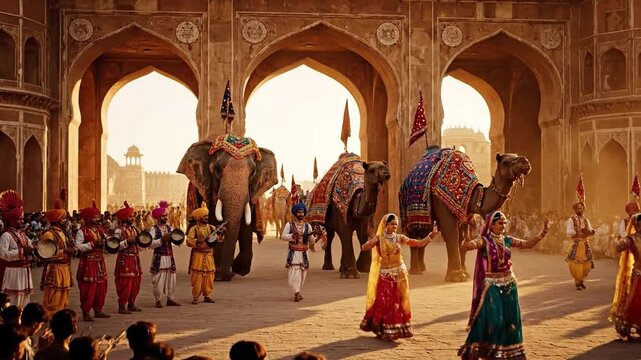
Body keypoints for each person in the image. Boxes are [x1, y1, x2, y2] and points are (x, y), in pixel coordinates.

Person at [457, 211, 549, 360]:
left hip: (509, 283)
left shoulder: (507, 240)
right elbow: (467, 246)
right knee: (495, 319)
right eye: (500, 223)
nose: (503, 226)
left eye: (505, 223)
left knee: (511, 319)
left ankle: (509, 352)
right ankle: (489, 350)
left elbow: (527, 244)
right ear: (491, 225)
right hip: (492, 284)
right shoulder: (484, 240)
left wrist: (543, 233)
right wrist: (467, 234)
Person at [359, 213, 439, 341]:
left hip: (400, 274)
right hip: (385, 274)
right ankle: (383, 327)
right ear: (386, 225)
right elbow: (364, 248)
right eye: (392, 224)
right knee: (384, 302)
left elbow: (418, 243)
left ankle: (396, 329)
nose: (395, 226)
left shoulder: (399, 237)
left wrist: (430, 236)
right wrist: (370, 242)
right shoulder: (379, 238)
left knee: (398, 302)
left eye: (396, 224)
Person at [280, 202, 325, 302]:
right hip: (294, 253)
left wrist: (318, 237)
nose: (301, 214)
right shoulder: (289, 225)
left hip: (304, 254)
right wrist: (292, 236)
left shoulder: (308, 226)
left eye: (302, 212)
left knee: (303, 273)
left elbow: (311, 240)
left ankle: (298, 291)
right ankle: (296, 292)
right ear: (295, 213)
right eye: (299, 212)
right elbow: (283, 236)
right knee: (295, 272)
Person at [75, 201, 110, 322]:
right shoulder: (82, 231)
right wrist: (93, 244)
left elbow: (108, 241)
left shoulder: (100, 230)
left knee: (101, 286)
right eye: (95, 217)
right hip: (88, 263)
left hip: (100, 262)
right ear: (89, 218)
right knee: (89, 288)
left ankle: (98, 310)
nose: (98, 219)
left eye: (98, 217)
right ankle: (86, 312)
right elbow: (78, 247)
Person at [40, 198, 76, 313]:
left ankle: (59, 317)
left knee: (64, 297)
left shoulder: (62, 233)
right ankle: (51, 318)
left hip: (65, 268)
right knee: (53, 298)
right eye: (63, 219)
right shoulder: (49, 234)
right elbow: (45, 254)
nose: (66, 221)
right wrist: (65, 251)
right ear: (57, 220)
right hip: (55, 269)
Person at [609, 213, 641, 340]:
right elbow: (618, 247)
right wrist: (622, 241)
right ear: (636, 226)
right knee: (636, 302)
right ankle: (631, 326)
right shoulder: (632, 239)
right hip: (639, 274)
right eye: (639, 225)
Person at [0, 190, 34, 307]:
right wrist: (22, 251)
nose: (22, 221)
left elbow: (30, 246)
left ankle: (21, 321)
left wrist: (35, 249)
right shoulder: (6, 235)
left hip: (24, 271)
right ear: (12, 221)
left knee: (24, 298)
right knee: (13, 298)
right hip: (12, 273)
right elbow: (3, 254)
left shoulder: (22, 234)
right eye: (20, 219)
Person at [148, 201, 180, 308]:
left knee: (171, 278)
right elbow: (150, 244)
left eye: (166, 215)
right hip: (159, 258)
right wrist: (161, 240)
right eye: (163, 216)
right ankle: (158, 300)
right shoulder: (154, 229)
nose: (166, 217)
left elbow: (175, 242)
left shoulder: (169, 228)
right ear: (158, 217)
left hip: (169, 257)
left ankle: (170, 299)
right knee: (158, 279)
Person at [186, 202, 218, 305]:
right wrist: (197, 241)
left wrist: (221, 234)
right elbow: (188, 241)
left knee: (209, 276)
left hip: (209, 255)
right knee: (197, 276)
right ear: (199, 218)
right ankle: (195, 297)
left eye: (207, 216)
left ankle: (207, 295)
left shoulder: (212, 228)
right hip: (198, 256)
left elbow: (219, 240)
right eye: (204, 216)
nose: (206, 218)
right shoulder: (194, 229)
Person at [113, 201, 143, 314]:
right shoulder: (118, 231)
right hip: (124, 259)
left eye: (132, 216)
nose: (132, 218)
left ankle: (131, 304)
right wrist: (126, 242)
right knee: (126, 283)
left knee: (136, 282)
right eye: (130, 216)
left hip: (135, 259)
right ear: (125, 218)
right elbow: (114, 247)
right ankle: (122, 305)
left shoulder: (134, 229)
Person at [565, 201, 595, 290]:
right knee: (576, 264)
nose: (580, 209)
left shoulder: (586, 220)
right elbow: (568, 231)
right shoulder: (572, 219)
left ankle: (581, 279)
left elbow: (590, 229)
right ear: (575, 210)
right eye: (578, 208)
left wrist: (591, 231)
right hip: (576, 243)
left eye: (581, 208)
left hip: (585, 243)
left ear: (583, 209)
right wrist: (576, 231)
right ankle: (577, 282)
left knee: (587, 265)